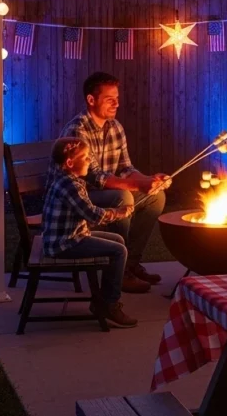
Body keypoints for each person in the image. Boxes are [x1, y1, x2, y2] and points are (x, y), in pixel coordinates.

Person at [58, 72, 170, 293]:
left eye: (117, 98)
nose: (116, 103)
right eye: (110, 99)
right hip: (76, 196)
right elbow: (95, 177)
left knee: (156, 197)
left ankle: (130, 262)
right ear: (91, 100)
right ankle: (118, 271)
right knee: (122, 197)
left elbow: (125, 169)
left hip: (104, 191)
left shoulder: (115, 127)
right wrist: (139, 186)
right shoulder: (77, 131)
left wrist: (150, 181)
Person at [42, 138, 138, 328]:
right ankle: (110, 304)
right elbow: (92, 215)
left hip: (72, 236)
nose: (89, 161)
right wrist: (118, 213)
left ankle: (100, 301)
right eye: (85, 157)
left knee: (118, 240)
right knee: (120, 251)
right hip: (64, 244)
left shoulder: (70, 181)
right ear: (70, 163)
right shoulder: (71, 185)